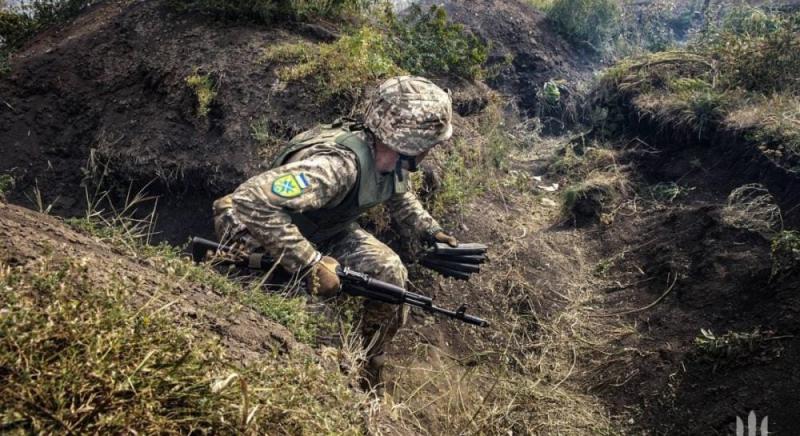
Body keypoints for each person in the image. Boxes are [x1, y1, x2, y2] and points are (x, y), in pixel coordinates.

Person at [211, 76, 458, 387]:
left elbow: (396, 191)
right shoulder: (337, 166)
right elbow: (252, 200)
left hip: (324, 230)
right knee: (320, 326)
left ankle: (370, 363)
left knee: (390, 273)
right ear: (412, 141)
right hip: (257, 231)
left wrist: (430, 232)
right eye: (431, 143)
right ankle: (333, 378)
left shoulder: (388, 157)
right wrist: (311, 264)